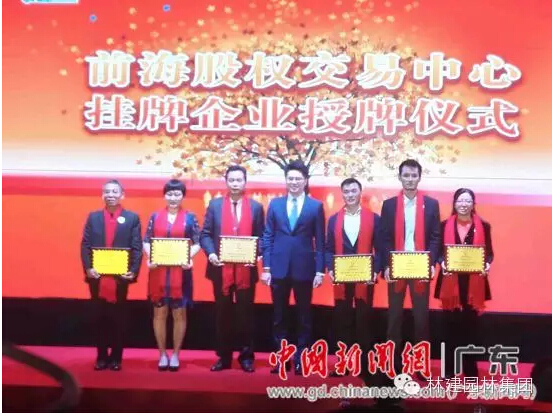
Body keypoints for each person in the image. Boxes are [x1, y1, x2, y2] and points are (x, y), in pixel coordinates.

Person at [261, 160, 326, 375]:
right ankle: (282, 359)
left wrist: (320, 271)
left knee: (304, 316)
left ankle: (301, 359)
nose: (294, 182)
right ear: (286, 180)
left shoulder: (315, 206)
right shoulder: (275, 204)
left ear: (305, 181)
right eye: (291, 178)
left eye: (298, 178)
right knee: (279, 316)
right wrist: (266, 268)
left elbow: (320, 241)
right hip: (278, 268)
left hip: (304, 268)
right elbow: (268, 236)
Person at [200, 165, 265, 373]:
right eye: (232, 180)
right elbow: (205, 234)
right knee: (223, 314)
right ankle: (224, 357)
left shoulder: (256, 207)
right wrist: (211, 253)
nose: (235, 184)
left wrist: (256, 254)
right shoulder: (215, 205)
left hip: (246, 269)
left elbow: (262, 236)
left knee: (246, 315)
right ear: (226, 182)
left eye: (239, 180)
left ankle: (246, 357)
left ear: (245, 182)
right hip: (220, 269)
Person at [380, 159, 441, 377]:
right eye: (406, 175)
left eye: (414, 175)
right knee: (394, 318)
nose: (410, 179)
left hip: (419, 267)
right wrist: (387, 265)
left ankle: (421, 365)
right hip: (397, 267)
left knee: (421, 319)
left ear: (419, 177)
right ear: (400, 177)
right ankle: (393, 364)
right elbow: (384, 238)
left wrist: (431, 263)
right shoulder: (389, 205)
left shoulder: (431, 204)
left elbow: (435, 236)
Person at [80, 179, 142, 371]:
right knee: (99, 318)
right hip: (97, 277)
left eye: (115, 192)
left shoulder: (132, 218)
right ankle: (101, 357)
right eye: (107, 192)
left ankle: (116, 358)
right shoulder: (93, 217)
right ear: (102, 195)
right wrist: (88, 268)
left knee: (118, 320)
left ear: (122, 195)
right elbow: (85, 245)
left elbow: (137, 247)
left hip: (120, 278)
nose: (111, 195)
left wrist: (133, 270)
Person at [326, 178, 382, 377]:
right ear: (342, 194)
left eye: (353, 191)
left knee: (364, 320)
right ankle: (343, 363)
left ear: (360, 192)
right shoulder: (333, 220)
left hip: (365, 278)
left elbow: (380, 249)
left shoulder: (374, 219)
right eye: (346, 191)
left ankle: (364, 365)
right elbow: (328, 249)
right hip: (341, 278)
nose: (350, 195)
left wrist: (375, 271)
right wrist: (330, 269)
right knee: (343, 321)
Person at [434, 188, 494, 378]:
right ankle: (449, 369)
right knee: (449, 328)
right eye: (460, 201)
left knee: (471, 328)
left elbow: (489, 253)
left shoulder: (484, 226)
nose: (464, 204)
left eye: (468, 201)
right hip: (450, 282)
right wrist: (442, 262)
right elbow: (438, 252)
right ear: (454, 203)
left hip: (473, 283)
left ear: (473, 204)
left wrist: (486, 264)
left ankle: (470, 370)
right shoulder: (444, 225)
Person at [143, 179, 201, 371]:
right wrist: (150, 257)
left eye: (177, 194)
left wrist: (188, 257)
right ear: (164, 195)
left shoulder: (190, 218)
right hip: (158, 272)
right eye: (169, 194)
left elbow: (198, 242)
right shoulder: (155, 216)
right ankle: (162, 354)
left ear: (183, 196)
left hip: (181, 273)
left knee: (179, 314)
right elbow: (147, 241)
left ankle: (175, 354)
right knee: (159, 314)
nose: (173, 198)